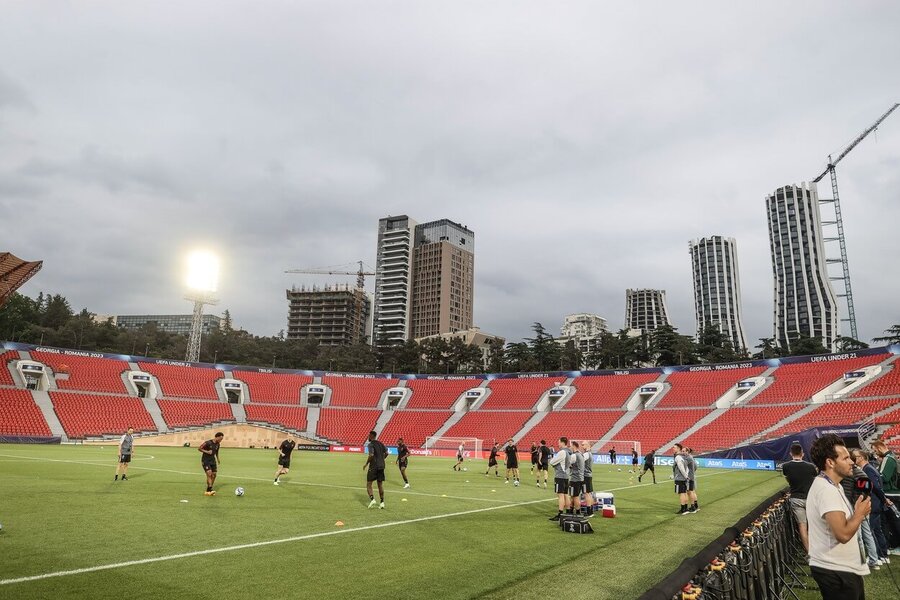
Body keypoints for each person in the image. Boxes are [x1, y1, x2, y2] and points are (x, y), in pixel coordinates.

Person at [806, 433, 870, 600]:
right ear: (830, 462)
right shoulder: (827, 490)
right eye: (846, 458)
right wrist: (859, 514)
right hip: (835, 570)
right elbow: (842, 534)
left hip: (840, 567)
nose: (851, 462)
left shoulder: (832, 485)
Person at [782, 442, 818, 552]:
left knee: (802, 526)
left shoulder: (786, 466)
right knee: (814, 525)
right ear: (802, 453)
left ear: (790, 453)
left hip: (796, 498)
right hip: (810, 498)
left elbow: (787, 478)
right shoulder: (811, 467)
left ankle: (809, 553)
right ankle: (818, 550)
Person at [862, 450, 895, 564]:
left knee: (873, 530)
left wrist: (884, 499)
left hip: (874, 503)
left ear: (861, 458)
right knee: (877, 530)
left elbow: (875, 487)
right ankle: (882, 555)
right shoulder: (870, 468)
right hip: (877, 503)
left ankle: (877, 556)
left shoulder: (867, 469)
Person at [548, 437, 571, 521]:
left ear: (562, 443)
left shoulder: (562, 452)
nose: (558, 444)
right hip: (566, 476)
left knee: (560, 495)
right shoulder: (569, 452)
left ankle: (560, 514)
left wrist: (554, 464)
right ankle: (568, 512)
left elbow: (551, 462)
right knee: (566, 494)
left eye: (559, 442)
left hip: (560, 476)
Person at [364, 431, 388, 509]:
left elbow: (371, 454)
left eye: (369, 435)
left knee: (369, 484)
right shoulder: (381, 443)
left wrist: (366, 463)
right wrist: (382, 459)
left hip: (374, 466)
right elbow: (387, 453)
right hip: (381, 466)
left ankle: (372, 499)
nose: (368, 437)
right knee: (380, 484)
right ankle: (382, 502)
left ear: (371, 436)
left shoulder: (370, 444)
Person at [199, 432, 224, 496]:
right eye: (220, 439)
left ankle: (208, 489)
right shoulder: (208, 442)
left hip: (213, 460)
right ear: (217, 437)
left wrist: (218, 458)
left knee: (214, 475)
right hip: (205, 460)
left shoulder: (218, 444)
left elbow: (216, 452)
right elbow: (199, 448)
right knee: (209, 473)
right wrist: (207, 451)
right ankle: (210, 489)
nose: (221, 440)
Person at [672, 443, 690, 515]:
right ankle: (686, 508)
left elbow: (681, 467)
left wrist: (685, 476)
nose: (673, 449)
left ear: (678, 448)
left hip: (680, 478)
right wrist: (686, 475)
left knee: (681, 493)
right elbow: (687, 468)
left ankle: (683, 510)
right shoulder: (684, 457)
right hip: (683, 477)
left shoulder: (678, 457)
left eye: (674, 447)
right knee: (684, 493)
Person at [568, 441, 585, 516]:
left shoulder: (574, 455)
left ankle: (578, 512)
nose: (570, 447)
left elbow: (568, 464)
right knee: (573, 495)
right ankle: (570, 510)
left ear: (574, 446)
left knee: (575, 496)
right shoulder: (581, 454)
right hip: (580, 478)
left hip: (575, 478)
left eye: (570, 446)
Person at [581, 441, 596, 517]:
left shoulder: (586, 454)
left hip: (585, 476)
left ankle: (589, 512)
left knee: (586, 494)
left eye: (583, 445)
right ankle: (591, 511)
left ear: (588, 445)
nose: (582, 446)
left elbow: (579, 461)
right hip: (589, 475)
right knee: (589, 493)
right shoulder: (590, 454)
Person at [685, 447, 699, 513]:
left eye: (684, 451)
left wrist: (690, 472)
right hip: (693, 475)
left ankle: (693, 506)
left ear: (688, 451)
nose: (683, 452)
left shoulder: (688, 458)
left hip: (689, 476)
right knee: (693, 491)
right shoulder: (692, 457)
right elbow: (696, 466)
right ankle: (696, 505)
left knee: (689, 492)